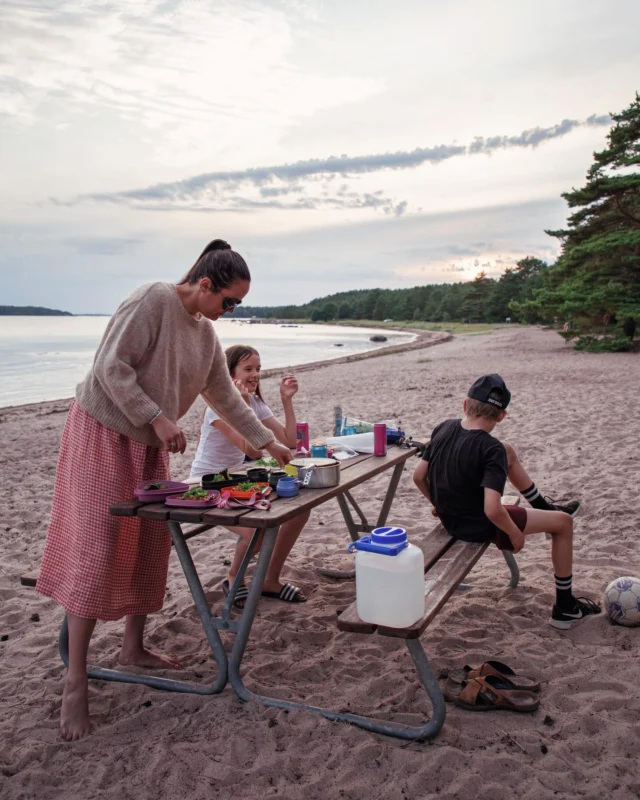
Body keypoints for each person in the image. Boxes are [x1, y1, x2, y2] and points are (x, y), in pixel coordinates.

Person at [37, 239, 293, 741]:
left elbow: (223, 397)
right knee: (99, 548)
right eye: (229, 301)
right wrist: (157, 417)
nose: (231, 311)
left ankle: (133, 649)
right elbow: (111, 367)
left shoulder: (205, 337)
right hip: (103, 432)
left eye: (237, 304)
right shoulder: (151, 299)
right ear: (204, 284)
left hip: (150, 442)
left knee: (149, 542)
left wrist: (269, 445)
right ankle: (75, 680)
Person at [412, 374, 601, 630]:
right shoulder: (490, 450)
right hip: (478, 524)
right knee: (564, 523)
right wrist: (514, 533)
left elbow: (418, 475)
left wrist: (436, 503)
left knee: (508, 450)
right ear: (501, 416)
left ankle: (543, 508)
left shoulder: (444, 428)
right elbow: (492, 509)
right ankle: (566, 608)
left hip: (452, 517)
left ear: (465, 405)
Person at [190, 345, 309, 608]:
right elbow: (253, 450)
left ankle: (270, 579)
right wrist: (242, 407)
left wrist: (286, 400)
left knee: (299, 509)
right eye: (248, 369)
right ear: (229, 375)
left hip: (236, 481)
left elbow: (289, 440)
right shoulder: (218, 408)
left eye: (258, 368)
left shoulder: (255, 403)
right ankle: (234, 577)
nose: (255, 374)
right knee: (256, 529)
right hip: (206, 485)